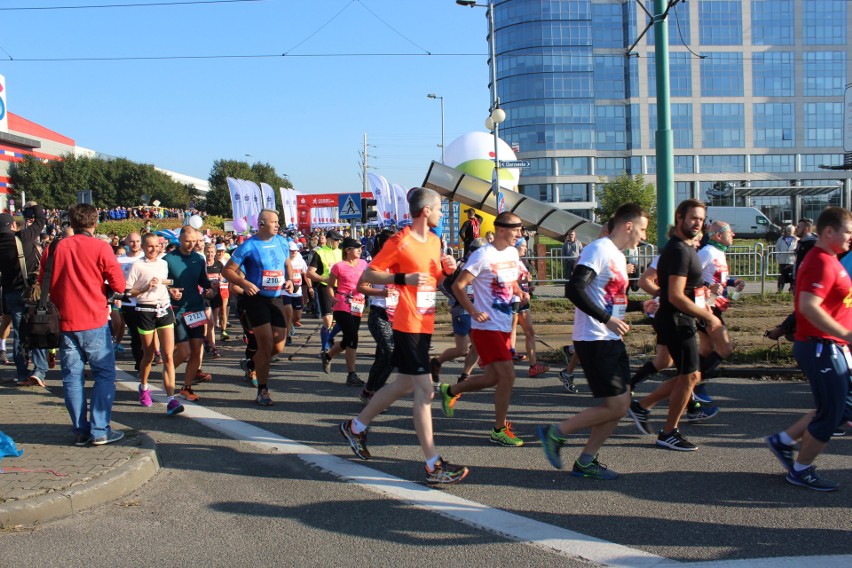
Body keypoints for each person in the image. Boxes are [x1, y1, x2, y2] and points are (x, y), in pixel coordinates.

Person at [339, 187, 469, 485]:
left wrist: (447, 271)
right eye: (438, 209)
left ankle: (356, 427)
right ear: (426, 211)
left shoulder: (435, 241)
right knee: (425, 391)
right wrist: (402, 278)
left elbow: (432, 279)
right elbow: (368, 276)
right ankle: (433, 464)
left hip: (425, 321)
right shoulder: (400, 240)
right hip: (406, 321)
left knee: (403, 384)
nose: (440, 214)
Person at [536, 203, 654, 479]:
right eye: (643, 229)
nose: (644, 236)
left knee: (620, 405)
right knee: (616, 405)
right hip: (595, 337)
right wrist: (605, 318)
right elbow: (573, 288)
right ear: (628, 226)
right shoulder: (599, 250)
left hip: (610, 337)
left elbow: (613, 301)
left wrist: (642, 306)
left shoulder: (616, 256)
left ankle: (586, 460)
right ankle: (556, 433)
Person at [764, 207, 852, 491]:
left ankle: (784, 441)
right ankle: (801, 470)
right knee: (831, 413)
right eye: (848, 232)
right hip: (821, 347)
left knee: (837, 408)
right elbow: (807, 306)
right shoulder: (822, 262)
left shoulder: (832, 259)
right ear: (829, 232)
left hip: (830, 347)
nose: (851, 237)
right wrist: (846, 334)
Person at [41, 203, 126, 446]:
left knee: (71, 378)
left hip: (63, 322)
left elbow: (42, 282)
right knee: (104, 375)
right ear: (94, 222)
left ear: (71, 222)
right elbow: (119, 286)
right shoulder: (100, 247)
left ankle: (80, 430)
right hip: (94, 319)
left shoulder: (54, 247)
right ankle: (100, 430)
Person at [444, 211, 528, 447]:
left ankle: (450, 390)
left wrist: (519, 291)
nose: (520, 235)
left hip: (503, 325)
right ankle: (499, 429)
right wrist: (472, 311)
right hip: (486, 325)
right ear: (501, 230)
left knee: (492, 377)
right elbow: (458, 285)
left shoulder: (512, 253)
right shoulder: (483, 255)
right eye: (516, 229)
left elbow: (510, 279)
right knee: (508, 376)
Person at [645, 200, 720, 450]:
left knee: (689, 375)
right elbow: (676, 295)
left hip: (680, 318)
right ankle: (668, 431)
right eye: (693, 218)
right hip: (677, 319)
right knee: (689, 376)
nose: (697, 223)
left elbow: (685, 289)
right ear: (679, 217)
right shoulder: (678, 250)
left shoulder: (687, 248)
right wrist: (707, 316)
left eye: (701, 219)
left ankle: (645, 409)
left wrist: (704, 298)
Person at [222, 209, 292, 406]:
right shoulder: (248, 246)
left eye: (278, 222)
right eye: (274, 222)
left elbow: (287, 263)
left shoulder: (282, 241)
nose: (278, 225)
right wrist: (244, 284)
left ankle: (252, 363)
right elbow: (227, 270)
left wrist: (290, 281)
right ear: (261, 224)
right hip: (256, 299)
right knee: (266, 344)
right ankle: (262, 390)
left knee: (278, 346)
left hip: (276, 297)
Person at [125, 233, 182, 416]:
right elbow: (128, 292)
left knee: (168, 356)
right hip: (145, 310)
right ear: (142, 247)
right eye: (150, 246)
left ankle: (171, 400)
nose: (154, 250)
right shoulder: (137, 265)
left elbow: (163, 284)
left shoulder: (163, 263)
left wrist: (172, 291)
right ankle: (143, 386)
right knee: (148, 355)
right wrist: (144, 288)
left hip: (164, 309)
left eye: (157, 246)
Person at [164, 226, 215, 403]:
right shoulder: (168, 259)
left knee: (196, 350)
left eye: (195, 241)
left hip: (196, 308)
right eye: (187, 241)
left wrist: (209, 289)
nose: (191, 244)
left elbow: (203, 281)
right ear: (179, 239)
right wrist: (170, 290)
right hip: (177, 310)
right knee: (183, 350)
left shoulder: (198, 259)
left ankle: (186, 387)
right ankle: (168, 372)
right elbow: (161, 283)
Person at [0, 204, 49, 387]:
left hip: (11, 294)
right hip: (29, 293)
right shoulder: (23, 237)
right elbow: (41, 220)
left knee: (19, 335)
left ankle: (22, 374)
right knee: (37, 329)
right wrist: (33, 208)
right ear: (13, 226)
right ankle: (39, 370)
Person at [357, 229, 399, 404]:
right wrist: (381, 292)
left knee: (383, 357)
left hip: (397, 316)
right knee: (391, 354)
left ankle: (370, 392)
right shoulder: (376, 264)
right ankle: (373, 392)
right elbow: (361, 287)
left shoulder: (400, 264)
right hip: (379, 314)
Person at [323, 237, 368, 386]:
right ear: (348, 250)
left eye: (361, 247)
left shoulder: (363, 263)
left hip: (358, 304)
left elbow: (368, 280)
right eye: (357, 248)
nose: (360, 250)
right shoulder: (339, 266)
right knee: (353, 337)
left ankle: (328, 356)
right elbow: (330, 285)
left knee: (347, 339)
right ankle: (351, 375)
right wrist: (331, 297)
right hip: (342, 304)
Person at [511, 237, 549, 377]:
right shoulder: (511, 260)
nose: (526, 248)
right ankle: (506, 359)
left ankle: (533, 366)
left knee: (530, 332)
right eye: (524, 246)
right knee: (511, 330)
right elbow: (508, 280)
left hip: (523, 299)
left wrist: (528, 288)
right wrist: (523, 281)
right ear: (516, 246)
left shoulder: (521, 261)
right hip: (513, 299)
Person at [307, 230, 343, 360]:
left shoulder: (342, 252)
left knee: (342, 320)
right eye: (335, 239)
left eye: (339, 240)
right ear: (328, 239)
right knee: (328, 320)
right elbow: (310, 273)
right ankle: (324, 348)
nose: (338, 242)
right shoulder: (319, 252)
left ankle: (330, 337)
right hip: (325, 287)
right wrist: (324, 279)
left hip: (341, 288)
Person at [775, 225, 797, 293]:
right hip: (783, 261)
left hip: (792, 261)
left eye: (790, 230)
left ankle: (792, 289)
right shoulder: (781, 239)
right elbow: (777, 248)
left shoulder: (796, 239)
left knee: (793, 276)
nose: (789, 232)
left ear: (793, 231)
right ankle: (780, 290)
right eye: (788, 230)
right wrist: (778, 256)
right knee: (782, 276)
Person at [561, 230, 583, 298]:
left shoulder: (578, 243)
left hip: (576, 262)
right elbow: (563, 252)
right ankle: (566, 294)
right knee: (567, 278)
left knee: (577, 278)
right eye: (569, 234)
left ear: (574, 235)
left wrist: (580, 261)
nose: (570, 236)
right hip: (568, 262)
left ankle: (577, 293)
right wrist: (564, 259)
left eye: (572, 234)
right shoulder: (565, 243)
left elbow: (582, 252)